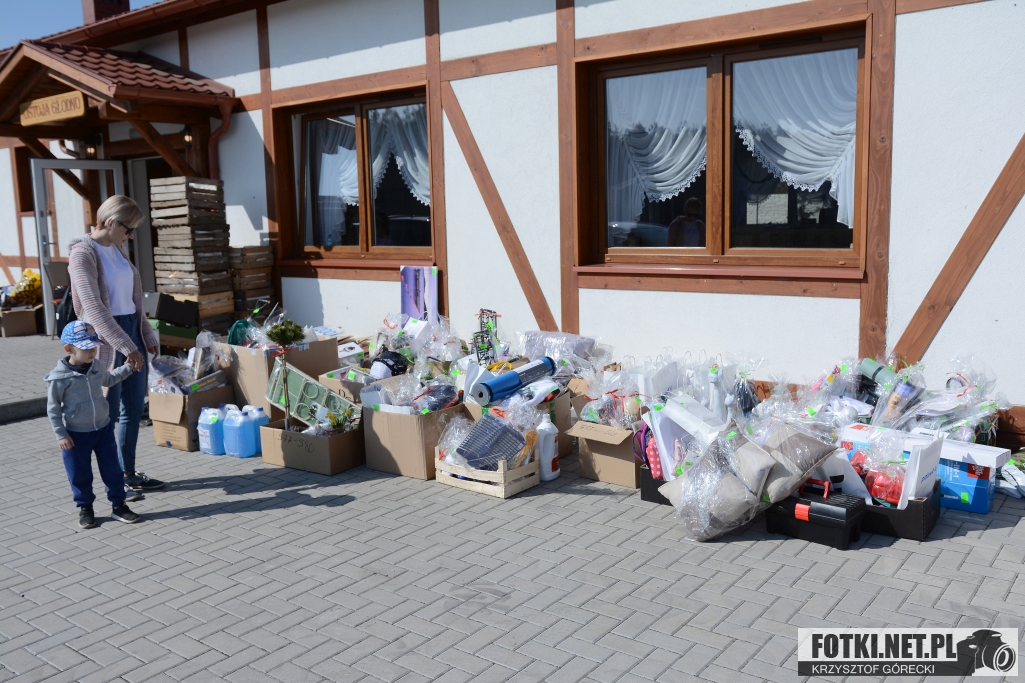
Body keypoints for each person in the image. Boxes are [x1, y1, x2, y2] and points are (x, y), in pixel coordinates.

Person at [68, 195, 165, 499]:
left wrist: (146, 335)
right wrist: (125, 345)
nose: (131, 236)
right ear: (111, 222)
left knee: (133, 409)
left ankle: (128, 474)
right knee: (106, 415)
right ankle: (114, 483)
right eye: (129, 229)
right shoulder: (82, 254)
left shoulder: (118, 248)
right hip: (104, 340)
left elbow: (133, 301)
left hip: (130, 331)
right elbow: (93, 308)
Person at [46, 321, 141, 529]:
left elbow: (109, 379)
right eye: (86, 348)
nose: (92, 352)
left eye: (94, 347)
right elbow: (53, 409)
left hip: (103, 429)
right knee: (79, 473)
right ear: (68, 349)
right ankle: (85, 508)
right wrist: (60, 434)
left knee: (113, 470)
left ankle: (119, 505)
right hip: (75, 435)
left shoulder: (96, 366)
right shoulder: (59, 378)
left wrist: (127, 368)